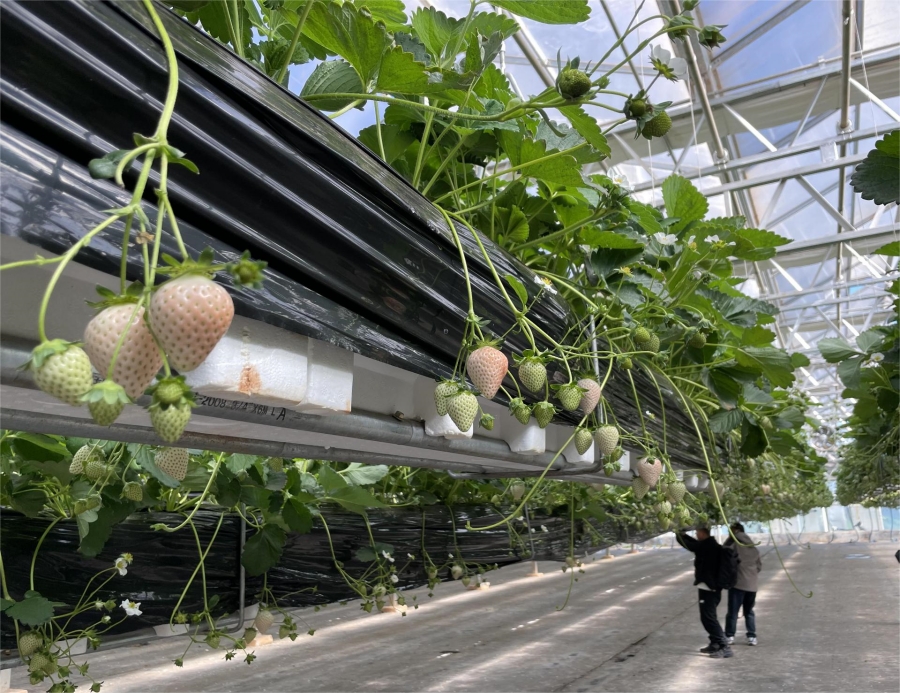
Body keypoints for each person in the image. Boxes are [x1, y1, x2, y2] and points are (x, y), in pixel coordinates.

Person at [676, 527, 733, 658]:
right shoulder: (709, 544)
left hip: (709, 587)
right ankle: (715, 643)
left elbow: (690, 545)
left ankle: (724, 646)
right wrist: (683, 534)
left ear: (702, 533)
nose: (696, 535)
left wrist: (679, 535)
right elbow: (694, 543)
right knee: (708, 616)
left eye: (697, 533)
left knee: (708, 617)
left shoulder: (707, 547)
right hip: (711, 587)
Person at [725, 523, 761, 646]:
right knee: (749, 611)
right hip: (752, 586)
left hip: (738, 584)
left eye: (730, 531)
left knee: (733, 612)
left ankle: (730, 636)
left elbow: (724, 552)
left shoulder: (734, 545)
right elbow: (759, 567)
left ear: (735, 531)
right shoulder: (753, 548)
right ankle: (752, 636)